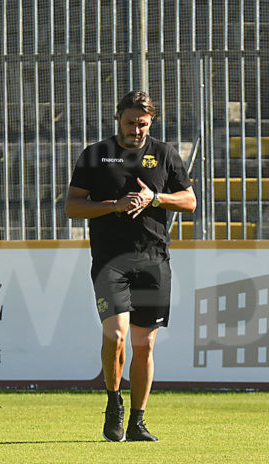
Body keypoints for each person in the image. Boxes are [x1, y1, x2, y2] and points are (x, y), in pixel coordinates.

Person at [65, 90, 196, 442]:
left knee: (145, 345)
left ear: (151, 123)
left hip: (154, 262)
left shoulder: (165, 154)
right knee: (117, 335)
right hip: (110, 262)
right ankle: (113, 403)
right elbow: (73, 207)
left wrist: (156, 198)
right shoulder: (95, 155)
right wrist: (114, 205)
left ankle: (138, 421)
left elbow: (190, 201)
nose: (136, 130)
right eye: (130, 123)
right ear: (117, 118)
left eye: (142, 124)